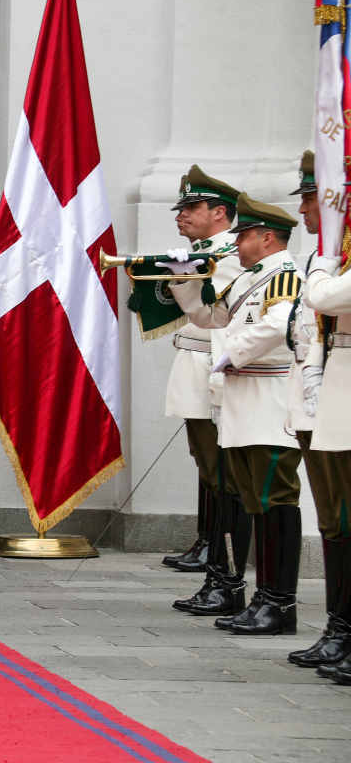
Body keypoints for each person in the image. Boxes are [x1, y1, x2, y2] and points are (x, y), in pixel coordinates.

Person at [168, 194, 302, 635]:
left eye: (244, 234)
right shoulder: (251, 278)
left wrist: (226, 356)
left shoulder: (284, 277)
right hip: (242, 403)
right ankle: (262, 597)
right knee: (253, 501)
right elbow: (210, 317)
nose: (237, 241)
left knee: (273, 500)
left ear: (266, 238)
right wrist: (184, 276)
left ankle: (278, 603)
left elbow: (277, 324)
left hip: (269, 402)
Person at [158, 167, 242, 577]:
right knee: (205, 461)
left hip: (213, 362)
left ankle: (220, 553)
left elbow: (219, 317)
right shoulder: (204, 250)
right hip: (192, 358)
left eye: (193, 207)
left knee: (218, 465)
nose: (182, 215)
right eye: (182, 208)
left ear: (220, 212)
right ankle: (209, 542)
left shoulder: (230, 252)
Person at [285, 154, 351, 675]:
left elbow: (324, 297)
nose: (315, 207)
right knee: (334, 518)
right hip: (331, 389)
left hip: (342, 391)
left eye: (321, 196)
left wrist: (326, 261)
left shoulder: (331, 259)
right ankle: (340, 627)